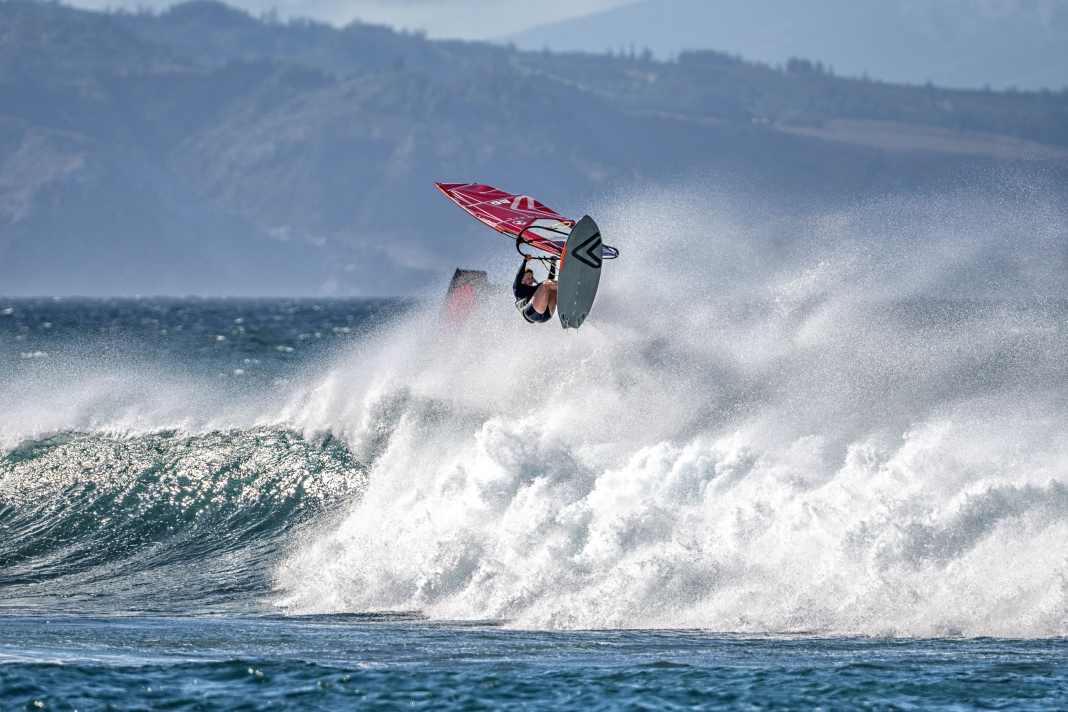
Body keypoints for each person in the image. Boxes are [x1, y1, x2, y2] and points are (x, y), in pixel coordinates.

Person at [512, 255, 557, 324]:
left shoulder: (535, 289)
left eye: (531, 278)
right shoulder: (517, 288)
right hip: (531, 313)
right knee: (546, 284)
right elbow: (518, 275)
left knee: (552, 288)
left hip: (547, 314)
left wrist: (553, 263)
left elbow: (550, 280)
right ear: (522, 279)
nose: (531, 280)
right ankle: (567, 284)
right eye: (528, 278)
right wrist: (525, 261)